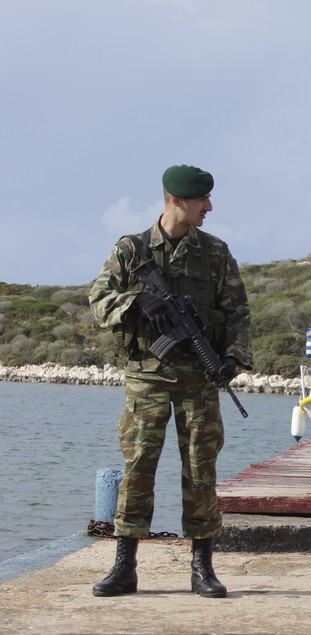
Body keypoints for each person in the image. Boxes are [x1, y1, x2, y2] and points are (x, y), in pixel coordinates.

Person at [88, 164, 252, 599]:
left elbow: (238, 312)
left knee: (201, 470)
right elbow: (98, 300)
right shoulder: (133, 250)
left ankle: (202, 568)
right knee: (139, 469)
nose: (210, 207)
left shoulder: (215, 253)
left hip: (200, 378)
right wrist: (137, 300)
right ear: (176, 200)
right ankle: (124, 567)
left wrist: (233, 358)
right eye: (203, 200)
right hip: (147, 378)